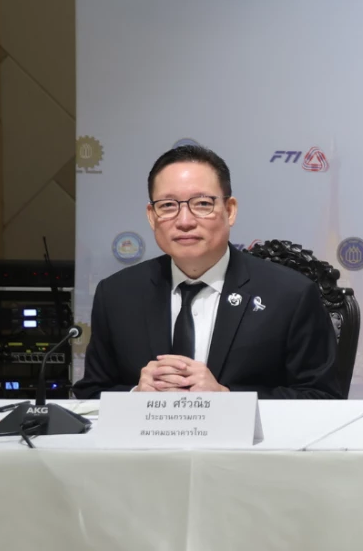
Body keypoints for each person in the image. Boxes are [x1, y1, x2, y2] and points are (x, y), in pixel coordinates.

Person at [74, 144, 340, 399]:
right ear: (152, 216)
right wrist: (136, 396)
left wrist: (226, 399)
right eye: (168, 206)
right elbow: (91, 393)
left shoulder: (290, 295)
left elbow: (322, 397)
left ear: (230, 211)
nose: (185, 221)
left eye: (202, 204)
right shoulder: (117, 295)